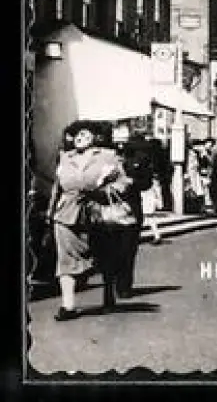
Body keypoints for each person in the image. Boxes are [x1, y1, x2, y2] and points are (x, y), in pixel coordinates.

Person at [49, 125, 128, 320]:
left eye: (84, 133)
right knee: (65, 258)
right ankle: (68, 306)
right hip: (67, 212)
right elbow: (56, 187)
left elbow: (122, 184)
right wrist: (51, 211)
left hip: (97, 211)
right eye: (76, 134)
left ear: (95, 137)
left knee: (105, 255)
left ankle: (108, 295)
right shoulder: (65, 157)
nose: (79, 137)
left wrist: (105, 189)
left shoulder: (108, 156)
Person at [115, 131, 157, 296]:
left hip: (132, 207)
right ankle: (113, 283)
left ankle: (124, 286)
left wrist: (132, 182)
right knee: (115, 249)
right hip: (111, 206)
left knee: (128, 248)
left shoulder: (142, 159)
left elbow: (147, 182)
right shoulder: (112, 159)